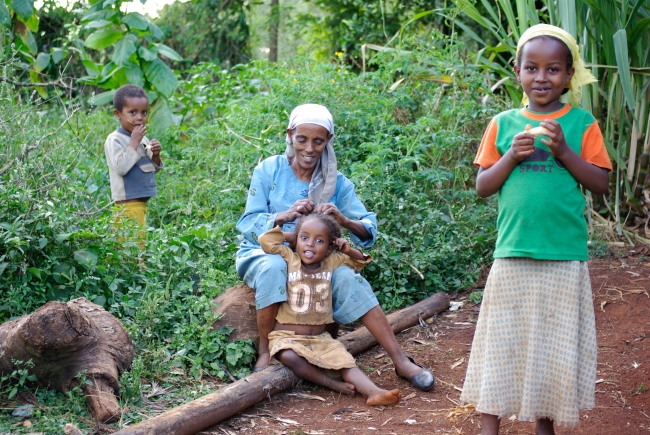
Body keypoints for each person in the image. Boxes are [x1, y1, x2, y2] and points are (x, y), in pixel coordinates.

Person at [460, 24, 612, 435]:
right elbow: (482, 187)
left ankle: (544, 427)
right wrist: (510, 156)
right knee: (501, 344)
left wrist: (563, 150)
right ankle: (489, 426)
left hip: (563, 253)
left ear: (568, 75)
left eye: (553, 69)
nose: (541, 78)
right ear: (517, 71)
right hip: (513, 251)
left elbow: (600, 184)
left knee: (550, 346)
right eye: (532, 68)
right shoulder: (503, 123)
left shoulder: (581, 123)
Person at [236, 103, 434, 391]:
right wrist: (284, 216)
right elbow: (248, 223)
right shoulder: (270, 169)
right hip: (268, 250)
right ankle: (265, 351)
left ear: (328, 141)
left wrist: (342, 219)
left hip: (314, 257)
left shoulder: (336, 182)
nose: (309, 148)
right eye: (302, 139)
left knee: (347, 277)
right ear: (290, 135)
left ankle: (401, 361)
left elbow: (368, 230)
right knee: (274, 266)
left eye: (318, 141)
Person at [258, 214, 402, 406]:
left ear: (329, 248)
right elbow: (265, 240)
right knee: (288, 356)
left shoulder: (332, 261)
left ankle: (373, 391)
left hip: (321, 339)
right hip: (286, 337)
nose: (310, 244)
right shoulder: (290, 258)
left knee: (345, 363)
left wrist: (348, 249)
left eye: (319, 241)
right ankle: (331, 384)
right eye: (305, 238)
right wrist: (292, 236)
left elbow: (360, 262)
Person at [104, 84, 163, 238]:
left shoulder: (143, 138)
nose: (139, 117)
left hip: (140, 206)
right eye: (133, 112)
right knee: (129, 249)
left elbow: (151, 168)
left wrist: (155, 154)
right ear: (118, 114)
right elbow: (121, 167)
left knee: (137, 246)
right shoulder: (115, 139)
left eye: (144, 112)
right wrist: (133, 142)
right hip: (127, 206)